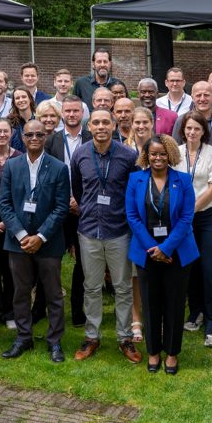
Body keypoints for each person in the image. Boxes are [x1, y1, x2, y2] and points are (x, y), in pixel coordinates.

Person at [70, 109, 142, 364]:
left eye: (105, 122)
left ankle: (124, 337)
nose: (101, 126)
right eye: (96, 122)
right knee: (91, 286)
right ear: (89, 125)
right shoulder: (80, 154)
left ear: (113, 125)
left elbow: (134, 190)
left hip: (118, 230)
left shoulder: (128, 155)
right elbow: (78, 188)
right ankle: (92, 336)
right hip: (89, 229)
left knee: (122, 286)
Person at [126, 135, 199, 374]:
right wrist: (153, 250)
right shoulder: (136, 179)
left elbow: (187, 218)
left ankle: (172, 353)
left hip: (177, 252)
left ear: (170, 155)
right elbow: (133, 217)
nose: (158, 158)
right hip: (147, 252)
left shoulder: (184, 180)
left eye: (162, 154)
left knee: (175, 304)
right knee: (151, 303)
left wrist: (166, 248)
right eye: (153, 154)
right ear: (146, 156)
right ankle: (153, 351)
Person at [0, 120, 71, 362]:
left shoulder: (59, 168)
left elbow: (61, 208)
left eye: (40, 134)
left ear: (45, 137)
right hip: (17, 242)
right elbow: (5, 204)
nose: (35, 138)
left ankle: (54, 341)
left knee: (52, 293)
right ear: (22, 136)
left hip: (48, 242)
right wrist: (21, 235)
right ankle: (23, 337)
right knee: (20, 292)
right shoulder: (11, 166)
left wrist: (40, 237)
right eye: (30, 134)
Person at [177, 112, 212, 347]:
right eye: (188, 128)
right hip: (183, 219)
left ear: (203, 131)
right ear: (183, 130)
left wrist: (191, 210)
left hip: (208, 217)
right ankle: (195, 313)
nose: (192, 132)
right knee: (190, 266)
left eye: (197, 128)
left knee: (209, 268)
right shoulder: (176, 152)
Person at [44, 94, 91, 328]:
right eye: (68, 111)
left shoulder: (92, 138)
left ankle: (78, 310)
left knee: (83, 262)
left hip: (85, 209)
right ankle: (43, 307)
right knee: (50, 260)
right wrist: (66, 199)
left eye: (76, 111)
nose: (71, 115)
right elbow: (46, 177)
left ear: (82, 114)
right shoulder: (51, 141)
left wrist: (80, 202)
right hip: (58, 208)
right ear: (62, 114)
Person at [125, 106, 155, 340]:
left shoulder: (159, 148)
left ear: (152, 124)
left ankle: (156, 315)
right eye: (137, 123)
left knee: (157, 269)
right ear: (131, 124)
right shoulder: (124, 150)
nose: (141, 127)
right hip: (133, 219)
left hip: (157, 218)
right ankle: (136, 319)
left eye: (145, 122)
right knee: (136, 271)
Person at [0, 118, 20, 328]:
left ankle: (11, 313)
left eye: (5, 131)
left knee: (11, 271)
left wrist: (9, 222)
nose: (2, 135)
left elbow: (23, 192)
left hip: (12, 223)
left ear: (11, 134)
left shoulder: (19, 158)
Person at [172, 81, 212, 154]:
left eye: (206, 95)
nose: (202, 99)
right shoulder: (181, 121)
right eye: (198, 95)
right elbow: (175, 151)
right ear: (192, 98)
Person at [8, 86, 36, 153]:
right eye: (17, 98)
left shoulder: (39, 119)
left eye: (24, 97)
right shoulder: (9, 122)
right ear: (14, 102)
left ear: (30, 99)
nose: (21, 100)